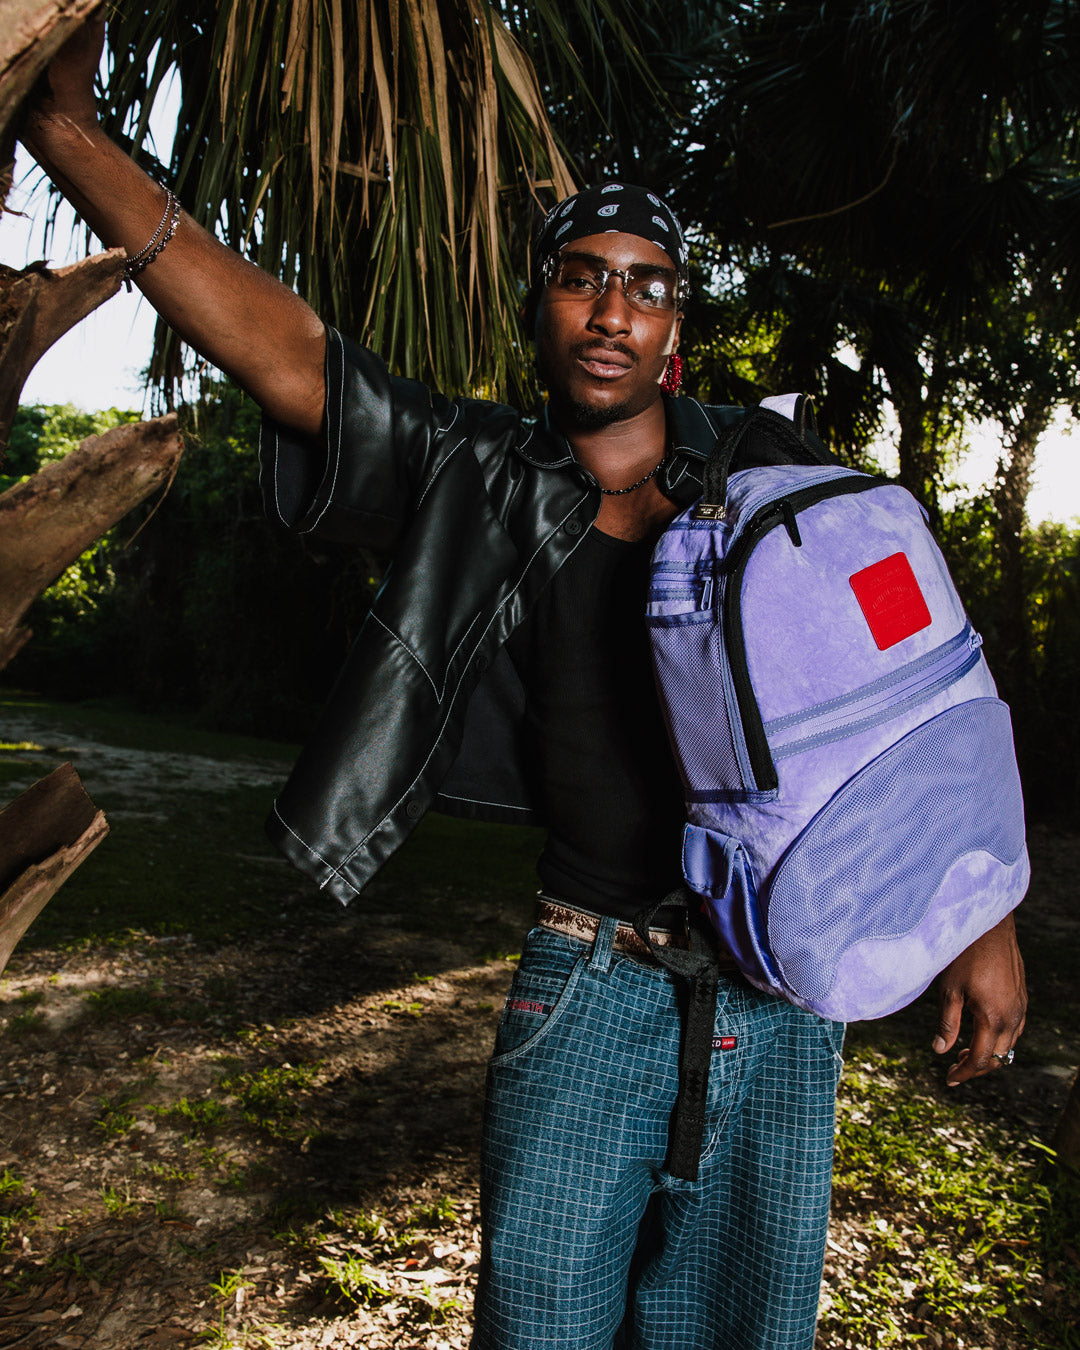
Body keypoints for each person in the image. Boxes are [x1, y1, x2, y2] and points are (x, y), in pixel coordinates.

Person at [21, 17, 1027, 1350]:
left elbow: (908, 690)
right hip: (586, 978)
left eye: (649, 285)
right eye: (583, 277)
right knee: (540, 1325)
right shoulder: (477, 472)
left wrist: (981, 911)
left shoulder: (773, 473)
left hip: (782, 998)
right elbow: (291, 354)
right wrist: (70, 137)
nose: (614, 308)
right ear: (540, 303)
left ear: (677, 328)